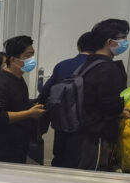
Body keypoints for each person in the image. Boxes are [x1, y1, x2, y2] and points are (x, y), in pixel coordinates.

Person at [63, 19, 129, 171]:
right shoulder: (108, 68)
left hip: (79, 134)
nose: (125, 42)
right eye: (122, 38)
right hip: (96, 137)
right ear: (109, 42)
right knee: (94, 177)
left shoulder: (86, 65)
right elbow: (109, 105)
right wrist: (122, 112)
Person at [37, 32, 96, 167]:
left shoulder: (62, 65)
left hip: (62, 121)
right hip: (87, 126)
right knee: (83, 163)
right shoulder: (101, 66)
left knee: (60, 158)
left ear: (79, 46)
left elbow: (46, 92)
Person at [0, 36, 45, 163]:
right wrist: (29, 114)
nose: (32, 60)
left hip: (19, 144)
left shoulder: (18, 78)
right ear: (12, 59)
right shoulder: (0, 83)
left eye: (33, 55)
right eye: (28, 56)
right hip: (3, 149)